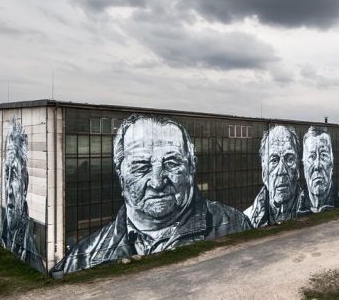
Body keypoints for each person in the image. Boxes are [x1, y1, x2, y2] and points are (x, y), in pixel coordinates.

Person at [53, 114, 251, 274]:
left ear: (191, 169)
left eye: (171, 164)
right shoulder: (84, 255)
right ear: (120, 176)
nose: (157, 182)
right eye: (141, 166)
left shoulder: (232, 222)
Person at [1, 118, 46, 272]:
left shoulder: (33, 256)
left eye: (14, 174)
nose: (9, 189)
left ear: (25, 184)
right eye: (7, 173)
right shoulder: (2, 233)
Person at [244, 125, 310, 228]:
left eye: (289, 159)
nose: (282, 171)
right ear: (264, 170)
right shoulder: (247, 219)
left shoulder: (311, 209)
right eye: (274, 160)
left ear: (297, 169)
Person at [302, 126, 339, 213]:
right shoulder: (296, 204)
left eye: (324, 155)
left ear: (332, 163)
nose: (317, 166)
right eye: (311, 157)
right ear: (304, 165)